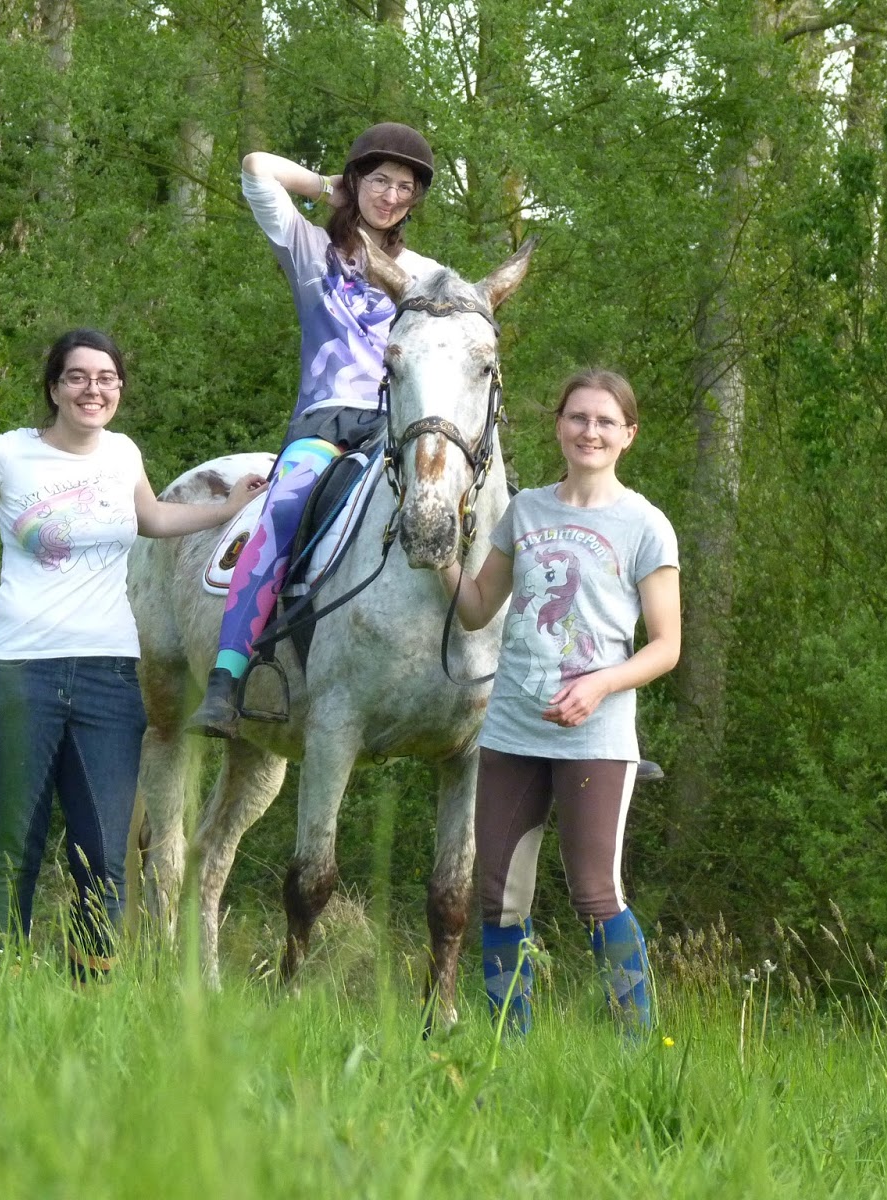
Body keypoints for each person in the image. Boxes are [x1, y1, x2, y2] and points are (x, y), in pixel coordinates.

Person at [0, 329, 267, 978]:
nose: (93, 389)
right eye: (77, 377)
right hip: (18, 674)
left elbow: (154, 520)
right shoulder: (5, 457)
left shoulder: (124, 454)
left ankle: (89, 996)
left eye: (106, 378)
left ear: (119, 391)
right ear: (53, 388)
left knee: (103, 851)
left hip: (108, 678)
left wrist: (228, 507)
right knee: (13, 848)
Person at [438, 369, 682, 1034]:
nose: (590, 431)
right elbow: (478, 609)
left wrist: (600, 683)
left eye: (606, 421)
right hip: (513, 730)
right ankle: (504, 1051)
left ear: (629, 435)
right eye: (578, 417)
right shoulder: (527, 511)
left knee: (595, 895)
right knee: (500, 899)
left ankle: (637, 1050)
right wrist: (439, 558)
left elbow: (666, 647)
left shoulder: (645, 526)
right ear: (558, 426)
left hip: (595, 739)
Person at [188, 122, 442, 737]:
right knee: (283, 510)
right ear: (356, 181)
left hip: (395, 426)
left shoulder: (429, 276)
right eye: (378, 179)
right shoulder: (308, 248)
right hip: (325, 420)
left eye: (403, 186)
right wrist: (332, 189)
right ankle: (227, 678)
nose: (390, 195)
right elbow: (256, 164)